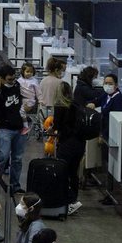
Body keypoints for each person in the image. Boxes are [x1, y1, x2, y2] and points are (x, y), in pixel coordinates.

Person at [0, 65, 27, 193]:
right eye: (9, 79)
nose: (12, 82)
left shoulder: (17, 86)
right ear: (2, 79)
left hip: (19, 128)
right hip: (5, 128)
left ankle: (15, 185)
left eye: (13, 79)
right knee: (2, 156)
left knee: (17, 158)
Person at [50, 82, 85, 215]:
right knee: (73, 172)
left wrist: (51, 128)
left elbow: (57, 125)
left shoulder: (60, 106)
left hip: (67, 143)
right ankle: (73, 200)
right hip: (80, 144)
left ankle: (67, 200)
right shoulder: (77, 105)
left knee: (62, 172)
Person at [98, 73, 122, 143]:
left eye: (110, 84)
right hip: (104, 130)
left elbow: (113, 120)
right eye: (106, 83)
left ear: (116, 85)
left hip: (111, 135)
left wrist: (103, 135)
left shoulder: (118, 99)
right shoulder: (106, 94)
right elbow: (98, 100)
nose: (107, 85)